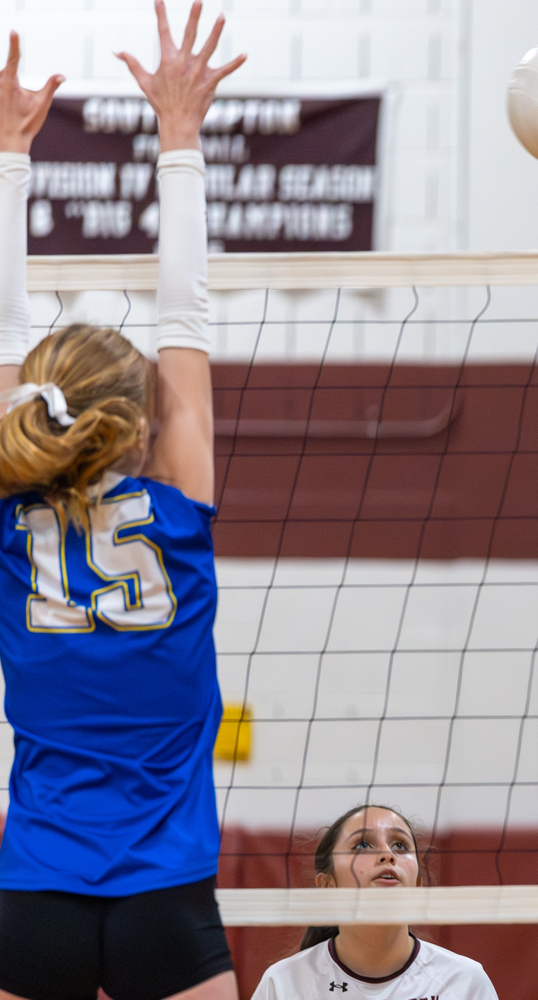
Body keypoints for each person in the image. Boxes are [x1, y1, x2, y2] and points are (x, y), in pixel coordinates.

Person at [0, 5, 246, 1000]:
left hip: (32, 889)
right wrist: (180, 139)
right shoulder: (178, 513)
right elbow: (185, 305)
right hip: (167, 891)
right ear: (142, 423)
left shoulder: (10, 520)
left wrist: (13, 156)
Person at [251, 805, 499, 999]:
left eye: (400, 845)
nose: (387, 855)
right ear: (328, 886)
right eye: (362, 844)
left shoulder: (464, 982)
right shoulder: (284, 984)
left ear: (417, 886)